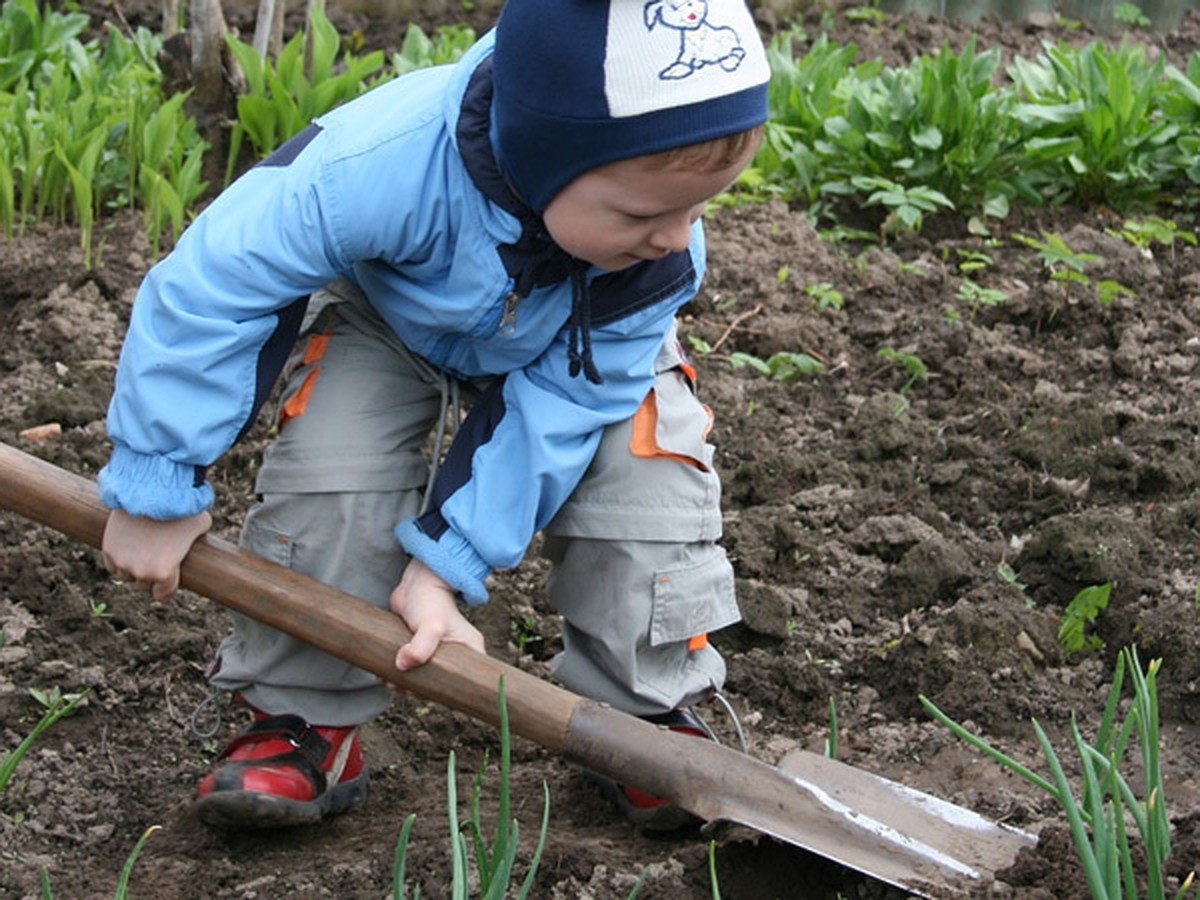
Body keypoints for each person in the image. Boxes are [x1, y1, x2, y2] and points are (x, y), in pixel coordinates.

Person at [98, 0, 769, 831]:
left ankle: (648, 724)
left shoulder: (651, 261)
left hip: (581, 344)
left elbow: (565, 401)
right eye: (643, 215)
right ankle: (303, 721)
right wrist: (157, 481)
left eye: (699, 210)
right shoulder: (378, 162)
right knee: (334, 468)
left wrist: (445, 564)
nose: (677, 239)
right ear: (542, 160)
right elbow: (215, 284)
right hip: (394, 318)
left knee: (648, 473)